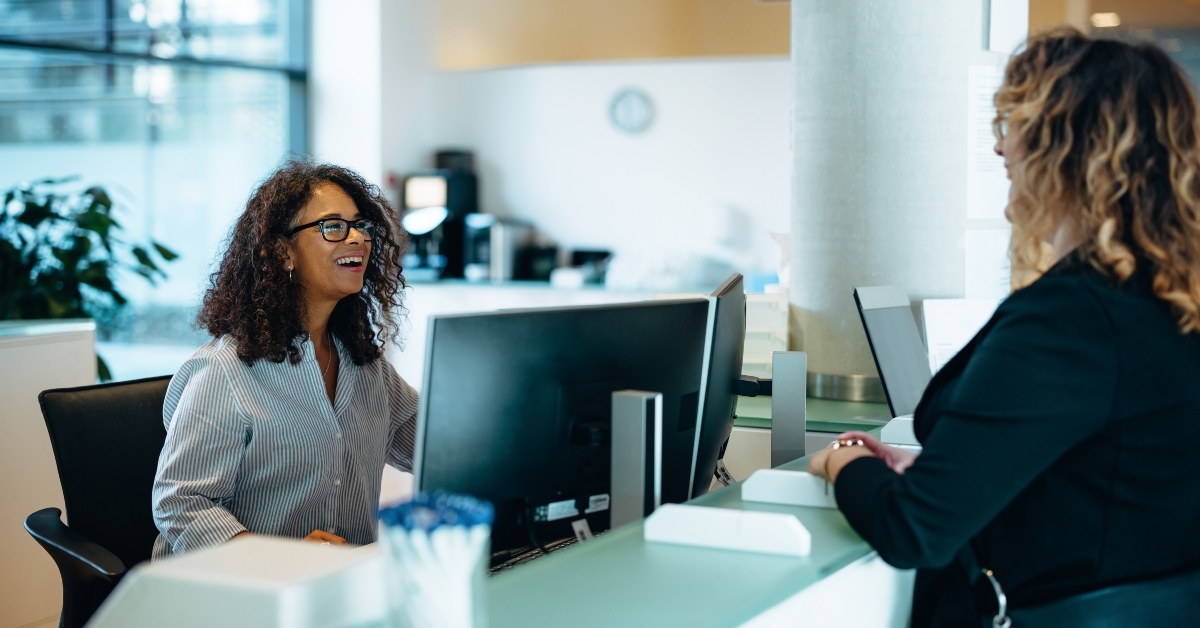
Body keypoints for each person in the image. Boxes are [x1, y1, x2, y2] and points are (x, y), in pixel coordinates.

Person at [809, 29, 1200, 626]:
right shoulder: (1168, 296)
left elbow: (912, 531)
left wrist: (842, 459)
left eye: (1010, 128)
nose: (1000, 152)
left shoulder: (1072, 317)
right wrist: (963, 471)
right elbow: (1117, 480)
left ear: (1065, 149)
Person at [151, 160, 417, 559]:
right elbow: (181, 503)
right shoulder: (226, 372)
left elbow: (438, 448)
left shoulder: (368, 368)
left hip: (340, 590)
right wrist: (278, 559)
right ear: (282, 252)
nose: (358, 239)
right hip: (240, 596)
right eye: (333, 227)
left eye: (362, 225)